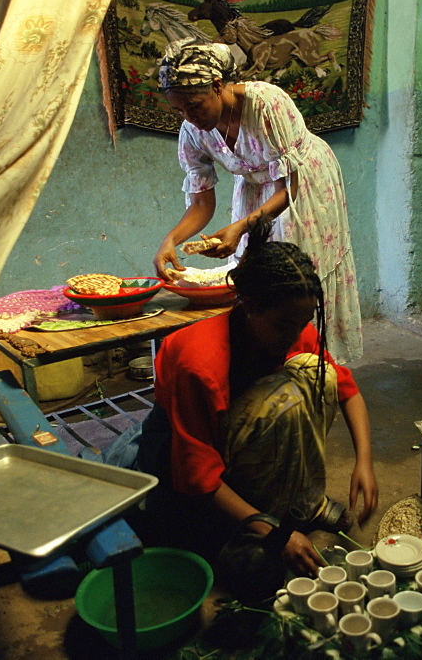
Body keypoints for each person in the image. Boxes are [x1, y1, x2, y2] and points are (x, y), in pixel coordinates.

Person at [139, 221, 378, 576]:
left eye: (303, 323)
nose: (296, 334)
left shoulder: (291, 326)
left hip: (237, 439)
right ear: (249, 306)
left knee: (316, 376)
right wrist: (273, 531)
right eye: (284, 326)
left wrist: (365, 461)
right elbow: (197, 475)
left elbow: (346, 390)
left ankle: (302, 504)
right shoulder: (199, 363)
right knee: (256, 571)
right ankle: (262, 515)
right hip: (179, 454)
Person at [153, 37, 363, 363]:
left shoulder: (266, 104)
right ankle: (268, 362)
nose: (189, 116)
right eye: (179, 109)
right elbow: (201, 204)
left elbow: (288, 190)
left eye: (194, 105)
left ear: (218, 85)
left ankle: (317, 363)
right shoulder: (193, 132)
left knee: (296, 272)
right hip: (255, 189)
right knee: (257, 275)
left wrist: (241, 227)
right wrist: (171, 240)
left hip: (302, 184)